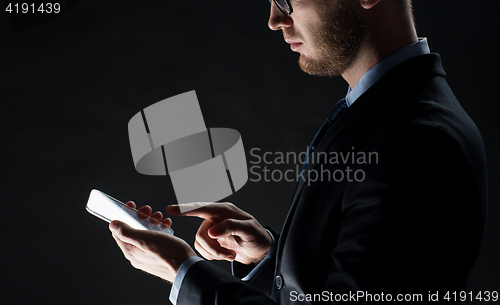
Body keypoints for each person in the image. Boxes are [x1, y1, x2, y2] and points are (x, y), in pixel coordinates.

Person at [109, 0, 488, 303]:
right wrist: (267, 261)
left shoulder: (417, 144)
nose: (274, 20)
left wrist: (183, 273)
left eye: (285, 1)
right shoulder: (382, 113)